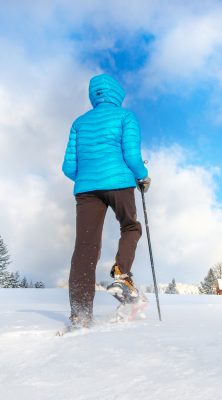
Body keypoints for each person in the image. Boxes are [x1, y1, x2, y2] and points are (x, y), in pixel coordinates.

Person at [62, 73, 151, 328]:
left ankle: (80, 314)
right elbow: (132, 155)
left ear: (94, 95)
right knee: (130, 226)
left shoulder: (79, 123)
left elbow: (68, 167)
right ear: (117, 93)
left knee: (85, 248)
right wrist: (143, 177)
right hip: (120, 182)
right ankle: (121, 275)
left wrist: (89, 176)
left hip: (86, 190)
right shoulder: (125, 117)